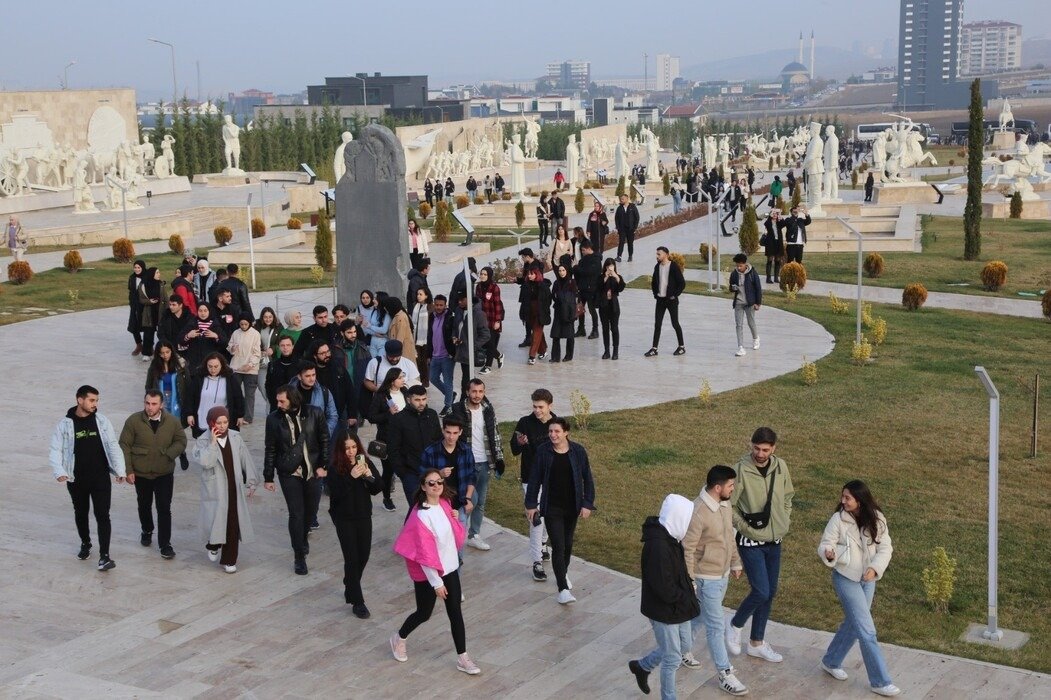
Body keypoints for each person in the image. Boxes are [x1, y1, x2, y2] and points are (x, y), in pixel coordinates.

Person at [390, 468, 480, 675]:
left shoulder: (446, 505)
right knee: (424, 613)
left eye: (439, 482)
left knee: (455, 612)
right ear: (423, 486)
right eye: (431, 483)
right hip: (430, 574)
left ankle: (463, 658)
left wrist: (454, 518)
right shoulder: (421, 516)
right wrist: (436, 583)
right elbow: (424, 554)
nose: (437, 486)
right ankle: (399, 637)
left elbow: (453, 537)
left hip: (449, 569)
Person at [818, 481, 898, 697]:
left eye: (848, 498)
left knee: (855, 624)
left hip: (868, 579)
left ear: (860, 500)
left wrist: (874, 569)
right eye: (842, 497)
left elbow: (886, 547)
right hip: (845, 578)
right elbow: (826, 542)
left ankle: (831, 660)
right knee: (867, 630)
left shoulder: (877, 518)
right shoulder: (838, 519)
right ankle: (880, 681)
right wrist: (828, 553)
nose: (843, 501)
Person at [725, 426, 795, 664]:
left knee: (770, 593)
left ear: (773, 448)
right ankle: (735, 624)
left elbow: (788, 496)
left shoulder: (781, 466)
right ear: (750, 445)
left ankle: (756, 643)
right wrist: (746, 529)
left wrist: (784, 519)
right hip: (750, 541)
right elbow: (729, 505)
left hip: (775, 540)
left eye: (765, 449)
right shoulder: (741, 470)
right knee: (761, 590)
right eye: (756, 448)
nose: (760, 453)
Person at [680, 465, 749, 696]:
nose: (733, 488)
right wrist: (690, 580)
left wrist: (735, 562)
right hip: (705, 578)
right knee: (716, 625)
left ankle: (680, 649)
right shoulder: (698, 511)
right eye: (731, 485)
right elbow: (687, 549)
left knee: (701, 616)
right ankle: (725, 673)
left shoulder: (724, 504)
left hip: (722, 575)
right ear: (718, 487)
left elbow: (729, 535)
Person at [627, 494, 702, 700]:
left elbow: (678, 573)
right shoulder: (658, 547)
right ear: (678, 517)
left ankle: (642, 666)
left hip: (677, 607)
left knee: (684, 646)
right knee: (672, 657)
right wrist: (686, 597)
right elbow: (664, 588)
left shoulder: (671, 538)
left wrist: (689, 588)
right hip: (664, 611)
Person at [49, 385, 127, 571]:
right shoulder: (65, 424)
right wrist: (59, 471)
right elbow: (55, 450)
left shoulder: (101, 421)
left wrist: (120, 470)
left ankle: (105, 556)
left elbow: (113, 446)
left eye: (97, 400)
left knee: (103, 515)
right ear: (79, 400)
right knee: (81, 513)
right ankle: (86, 543)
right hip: (76, 479)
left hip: (100, 478)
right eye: (92, 400)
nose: (95, 404)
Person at [525, 417, 596, 604]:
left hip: (572, 506)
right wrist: (531, 504)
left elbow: (587, 478)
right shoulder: (543, 452)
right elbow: (534, 479)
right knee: (558, 545)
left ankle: (562, 573)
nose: (553, 435)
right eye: (550, 432)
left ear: (566, 432)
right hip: (552, 507)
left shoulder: (578, 451)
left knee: (568, 544)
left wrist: (587, 503)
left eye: (557, 431)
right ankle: (562, 588)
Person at [263, 384, 330, 575]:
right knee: (296, 513)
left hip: (313, 471)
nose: (278, 403)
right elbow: (270, 448)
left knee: (311, 512)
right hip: (288, 472)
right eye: (277, 400)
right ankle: (299, 556)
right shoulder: (273, 419)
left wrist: (323, 466)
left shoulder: (314, 413)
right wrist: (268, 476)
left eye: (282, 400)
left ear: (293, 399)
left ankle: (303, 537)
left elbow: (325, 440)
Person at [192, 405, 260, 574]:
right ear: (211, 422)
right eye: (218, 422)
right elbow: (206, 462)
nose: (222, 426)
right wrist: (213, 444)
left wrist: (251, 481)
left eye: (225, 422)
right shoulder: (202, 440)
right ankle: (213, 544)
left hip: (234, 487)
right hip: (215, 489)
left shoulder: (236, 437)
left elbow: (246, 459)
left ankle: (229, 560)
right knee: (217, 520)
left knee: (232, 523)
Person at [120, 390, 187, 560]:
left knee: (164, 508)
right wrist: (128, 470)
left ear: (161, 405)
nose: (150, 407)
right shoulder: (133, 421)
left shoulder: (172, 422)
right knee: (144, 504)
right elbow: (124, 445)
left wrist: (168, 454)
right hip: (141, 473)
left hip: (164, 473)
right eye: (147, 403)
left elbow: (181, 441)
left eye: (154, 404)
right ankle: (147, 529)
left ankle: (165, 544)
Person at [328, 430, 383, 618]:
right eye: (347, 448)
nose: (351, 452)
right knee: (351, 559)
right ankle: (358, 601)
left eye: (353, 447)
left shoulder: (364, 462)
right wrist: (350, 477)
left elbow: (378, 488)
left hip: (363, 515)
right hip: (344, 518)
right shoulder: (335, 468)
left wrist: (369, 476)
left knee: (363, 556)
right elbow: (335, 494)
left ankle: (350, 583)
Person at [449, 378, 504, 550]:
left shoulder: (488, 409)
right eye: (474, 391)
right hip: (466, 464)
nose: (477, 395)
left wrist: (499, 458)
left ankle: (474, 535)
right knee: (468, 500)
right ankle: (457, 533)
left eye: (480, 391)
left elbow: (495, 434)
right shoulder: (458, 409)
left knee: (480, 501)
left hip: (485, 462)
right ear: (467, 392)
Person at [510, 389, 556, 581]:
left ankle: (544, 543)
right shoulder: (525, 422)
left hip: (552, 478)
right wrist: (520, 443)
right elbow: (514, 450)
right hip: (531, 479)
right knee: (536, 519)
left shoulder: (557, 424)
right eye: (534, 406)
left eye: (541, 407)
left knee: (548, 514)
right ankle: (536, 561)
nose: (537, 410)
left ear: (549, 406)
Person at [419, 417, 477, 540]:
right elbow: (422, 478)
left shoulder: (466, 450)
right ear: (443, 431)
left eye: (455, 433)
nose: (451, 437)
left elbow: (472, 475)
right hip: (438, 503)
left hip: (460, 501)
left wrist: (468, 498)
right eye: (448, 432)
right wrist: (439, 474)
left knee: (459, 538)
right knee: (440, 539)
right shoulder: (430, 452)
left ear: (460, 432)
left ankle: (459, 560)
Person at [386, 384, 442, 505]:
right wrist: (402, 473)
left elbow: (439, 441)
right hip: (410, 473)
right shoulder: (398, 419)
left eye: (423, 399)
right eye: (417, 400)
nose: (421, 403)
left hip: (432, 471)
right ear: (408, 400)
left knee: (432, 507)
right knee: (416, 507)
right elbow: (393, 449)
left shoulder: (432, 415)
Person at [146, 341, 191, 470]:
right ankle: (164, 457)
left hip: (176, 401)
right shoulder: (154, 367)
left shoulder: (180, 365)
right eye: (161, 353)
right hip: (160, 401)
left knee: (176, 430)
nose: (165, 355)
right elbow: (149, 385)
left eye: (167, 352)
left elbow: (187, 385)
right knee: (161, 431)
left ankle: (181, 452)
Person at [369, 367, 409, 512]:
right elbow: (372, 416)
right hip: (388, 439)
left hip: (405, 438)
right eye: (400, 377)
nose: (403, 380)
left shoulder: (405, 392)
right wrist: (388, 413)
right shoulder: (381, 396)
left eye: (403, 377)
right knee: (388, 471)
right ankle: (387, 497)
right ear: (392, 381)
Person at [184, 352, 246, 443]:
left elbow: (238, 397)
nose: (213, 370)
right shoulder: (199, 378)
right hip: (202, 418)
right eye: (210, 366)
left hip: (222, 422)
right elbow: (190, 396)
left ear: (222, 365)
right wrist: (189, 414)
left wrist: (240, 415)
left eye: (216, 366)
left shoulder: (230, 378)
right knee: (204, 448)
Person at [645, 247, 686, 358]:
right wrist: (655, 294)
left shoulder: (673, 267)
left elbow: (682, 283)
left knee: (675, 323)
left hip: (671, 300)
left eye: (659, 254)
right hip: (660, 300)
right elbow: (654, 282)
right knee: (657, 324)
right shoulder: (657, 266)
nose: (657, 256)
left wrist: (674, 295)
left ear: (666, 255)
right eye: (656, 254)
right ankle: (654, 349)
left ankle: (681, 346)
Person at [452, 293, 490, 396]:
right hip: (461, 351)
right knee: (465, 377)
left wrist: (473, 345)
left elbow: (486, 334)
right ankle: (465, 398)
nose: (459, 302)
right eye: (458, 300)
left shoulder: (478, 314)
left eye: (462, 299)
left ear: (469, 299)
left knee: (467, 379)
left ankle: (467, 399)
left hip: (470, 352)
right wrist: (455, 337)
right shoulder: (459, 310)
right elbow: (456, 327)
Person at [227, 313, 262, 423]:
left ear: (250, 323)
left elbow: (257, 353)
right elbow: (229, 347)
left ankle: (248, 417)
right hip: (236, 367)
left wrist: (250, 364)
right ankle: (235, 415)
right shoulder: (236, 333)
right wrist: (232, 348)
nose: (243, 326)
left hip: (251, 369)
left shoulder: (255, 334)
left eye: (245, 324)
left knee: (249, 394)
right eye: (241, 324)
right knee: (234, 392)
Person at [426, 296, 456, 413]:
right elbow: (429, 336)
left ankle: (448, 405)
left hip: (447, 356)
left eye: (441, 305)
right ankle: (450, 394)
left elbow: (454, 335)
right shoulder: (431, 317)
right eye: (436, 305)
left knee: (448, 380)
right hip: (434, 355)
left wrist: (452, 353)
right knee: (433, 378)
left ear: (445, 305)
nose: (438, 307)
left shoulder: (450, 317)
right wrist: (428, 354)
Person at [729, 254, 762, 358]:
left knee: (751, 322)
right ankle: (740, 347)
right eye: (737, 266)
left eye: (740, 266)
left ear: (745, 264)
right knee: (739, 325)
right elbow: (730, 286)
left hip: (750, 302)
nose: (738, 268)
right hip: (738, 302)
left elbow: (758, 288)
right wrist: (733, 288)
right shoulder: (734, 274)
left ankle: (756, 338)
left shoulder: (752, 273)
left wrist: (758, 303)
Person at [474, 267, 504, 373]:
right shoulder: (478, 287)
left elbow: (497, 305)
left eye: (485, 274)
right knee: (485, 342)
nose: (482, 276)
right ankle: (499, 355)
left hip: (492, 319)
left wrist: (497, 321)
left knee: (490, 342)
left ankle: (488, 366)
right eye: (481, 274)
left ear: (489, 276)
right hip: (481, 319)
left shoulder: (494, 288)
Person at [254, 307, 284, 410]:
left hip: (273, 360)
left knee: (273, 385)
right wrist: (259, 350)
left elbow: (281, 341)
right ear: (262, 317)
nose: (268, 319)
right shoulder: (256, 326)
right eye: (265, 317)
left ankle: (270, 409)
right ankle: (273, 404)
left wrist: (273, 348)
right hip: (261, 361)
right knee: (262, 385)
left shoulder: (278, 326)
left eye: (270, 317)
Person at [597, 258, 625, 360]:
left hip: (614, 306)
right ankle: (607, 351)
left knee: (614, 328)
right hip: (603, 306)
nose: (609, 268)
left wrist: (616, 276)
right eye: (607, 266)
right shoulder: (601, 277)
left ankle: (615, 351)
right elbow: (598, 287)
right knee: (605, 329)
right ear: (605, 267)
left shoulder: (616, 277)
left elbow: (621, 287)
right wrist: (605, 276)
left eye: (611, 266)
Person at [549, 263, 577, 363]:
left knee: (569, 335)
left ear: (567, 271)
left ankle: (569, 355)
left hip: (569, 312)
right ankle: (555, 357)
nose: (561, 272)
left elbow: (574, 296)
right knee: (556, 334)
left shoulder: (571, 282)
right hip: (558, 311)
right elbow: (553, 295)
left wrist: (561, 296)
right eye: (560, 271)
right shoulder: (556, 283)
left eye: (563, 270)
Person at [573, 240, 601, 339]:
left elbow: (589, 272)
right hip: (582, 288)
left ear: (589, 249)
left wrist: (577, 268)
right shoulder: (583, 260)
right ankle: (581, 329)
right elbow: (578, 272)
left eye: (583, 250)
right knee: (580, 309)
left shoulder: (596, 260)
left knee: (592, 309)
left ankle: (595, 330)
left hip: (591, 289)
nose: (582, 252)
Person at [524, 265, 551, 365]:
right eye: (529, 274)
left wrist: (544, 311)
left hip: (540, 313)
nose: (530, 276)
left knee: (536, 332)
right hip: (530, 312)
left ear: (537, 274)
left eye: (532, 274)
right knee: (538, 332)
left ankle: (532, 355)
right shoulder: (526, 285)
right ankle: (543, 351)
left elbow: (548, 300)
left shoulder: (543, 286)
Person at [264, 336, 297, 408]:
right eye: (282, 345)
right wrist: (273, 401)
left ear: (293, 346)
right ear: (279, 347)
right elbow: (268, 384)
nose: (285, 348)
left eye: (288, 345)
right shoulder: (272, 364)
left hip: (294, 404)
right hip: (276, 404)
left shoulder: (299, 364)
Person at [410, 286, 432, 388]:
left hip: (426, 338)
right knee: (418, 360)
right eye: (417, 294)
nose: (418, 296)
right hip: (416, 337)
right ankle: (420, 379)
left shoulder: (429, 307)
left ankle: (426, 380)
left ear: (426, 295)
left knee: (424, 360)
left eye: (421, 294)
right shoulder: (416, 306)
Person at [383, 297, 416, 363]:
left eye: (386, 307)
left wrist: (395, 351)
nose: (385, 309)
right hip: (401, 350)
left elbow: (400, 337)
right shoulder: (398, 316)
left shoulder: (400, 317)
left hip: (403, 351)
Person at [760, 210, 785, 284]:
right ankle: (768, 278)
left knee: (777, 260)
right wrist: (770, 216)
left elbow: (783, 224)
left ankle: (776, 278)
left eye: (776, 214)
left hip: (778, 243)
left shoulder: (779, 222)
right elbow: (766, 224)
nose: (775, 215)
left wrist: (780, 215)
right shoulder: (768, 222)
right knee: (770, 260)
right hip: (770, 243)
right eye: (773, 214)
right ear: (771, 215)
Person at [614, 193, 640, 263]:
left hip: (630, 229)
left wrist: (635, 228)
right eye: (621, 199)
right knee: (621, 242)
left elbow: (637, 217)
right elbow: (616, 218)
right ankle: (619, 256)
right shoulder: (619, 208)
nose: (621, 200)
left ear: (627, 199)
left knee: (630, 243)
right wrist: (618, 228)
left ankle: (630, 256)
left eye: (622, 199)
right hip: (622, 229)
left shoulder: (632, 207)